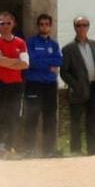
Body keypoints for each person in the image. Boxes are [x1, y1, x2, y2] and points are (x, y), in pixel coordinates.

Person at [60, 15, 95, 156]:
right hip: (78, 90)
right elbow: (64, 72)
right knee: (76, 121)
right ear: (75, 27)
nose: (82, 28)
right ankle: (76, 150)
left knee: (93, 119)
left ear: (88, 27)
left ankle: (93, 149)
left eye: (84, 25)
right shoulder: (68, 48)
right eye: (79, 25)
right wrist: (75, 85)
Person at [0, 11, 30, 159]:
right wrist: (16, 62)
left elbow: (25, 64)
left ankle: (9, 149)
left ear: (14, 24)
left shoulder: (20, 43)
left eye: (8, 23)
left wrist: (7, 62)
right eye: (2, 23)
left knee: (13, 117)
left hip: (15, 84)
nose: (5, 26)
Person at [22, 13, 63, 157]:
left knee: (50, 118)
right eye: (41, 24)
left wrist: (44, 62)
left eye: (47, 24)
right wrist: (48, 65)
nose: (44, 27)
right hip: (34, 83)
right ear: (38, 26)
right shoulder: (31, 43)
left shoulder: (54, 44)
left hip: (50, 85)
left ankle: (49, 150)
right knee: (31, 117)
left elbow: (59, 61)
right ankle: (30, 150)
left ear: (50, 26)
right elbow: (31, 62)